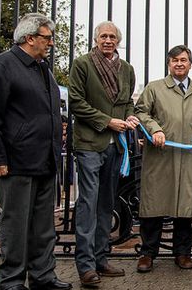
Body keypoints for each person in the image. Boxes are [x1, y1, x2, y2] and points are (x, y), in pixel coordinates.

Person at [0, 13, 72, 290]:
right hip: (15, 163)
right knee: (16, 225)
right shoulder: (3, 66)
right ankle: (11, 279)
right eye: (47, 38)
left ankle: (43, 276)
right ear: (30, 38)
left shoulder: (42, 68)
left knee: (43, 227)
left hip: (44, 161)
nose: (51, 43)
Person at [69, 21, 139, 287]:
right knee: (88, 203)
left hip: (115, 146)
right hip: (90, 143)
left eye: (112, 36)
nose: (108, 40)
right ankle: (85, 266)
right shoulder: (83, 64)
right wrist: (108, 121)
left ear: (118, 40)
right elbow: (76, 102)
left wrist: (130, 116)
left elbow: (128, 101)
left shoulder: (127, 69)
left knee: (106, 203)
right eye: (103, 36)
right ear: (96, 39)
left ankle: (100, 258)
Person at [134, 45, 192, 272]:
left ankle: (183, 253)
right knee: (154, 206)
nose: (179, 64)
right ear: (169, 64)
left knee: (185, 207)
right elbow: (141, 112)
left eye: (183, 60)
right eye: (174, 60)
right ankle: (147, 254)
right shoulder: (154, 88)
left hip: (189, 158)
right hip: (161, 156)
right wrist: (155, 129)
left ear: (190, 64)